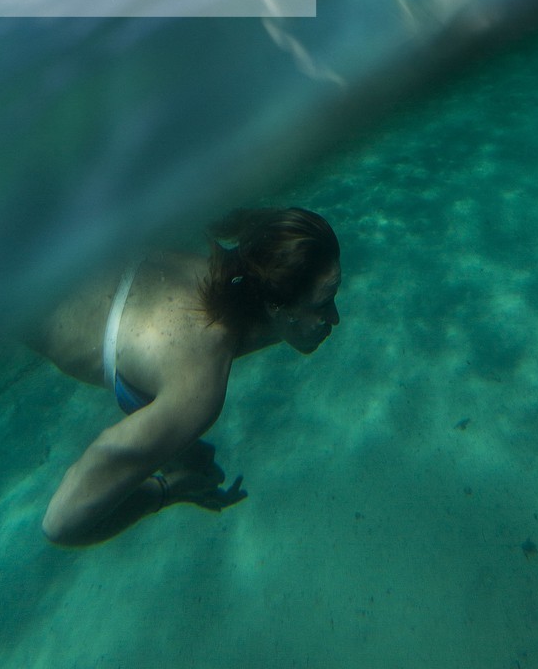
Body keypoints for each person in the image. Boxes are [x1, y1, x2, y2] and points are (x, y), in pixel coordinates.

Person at [29, 207, 341, 547]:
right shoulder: (201, 387)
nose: (335, 318)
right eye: (324, 303)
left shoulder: (218, 274)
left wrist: (177, 448)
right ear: (277, 307)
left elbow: (157, 348)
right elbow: (60, 523)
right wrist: (167, 491)